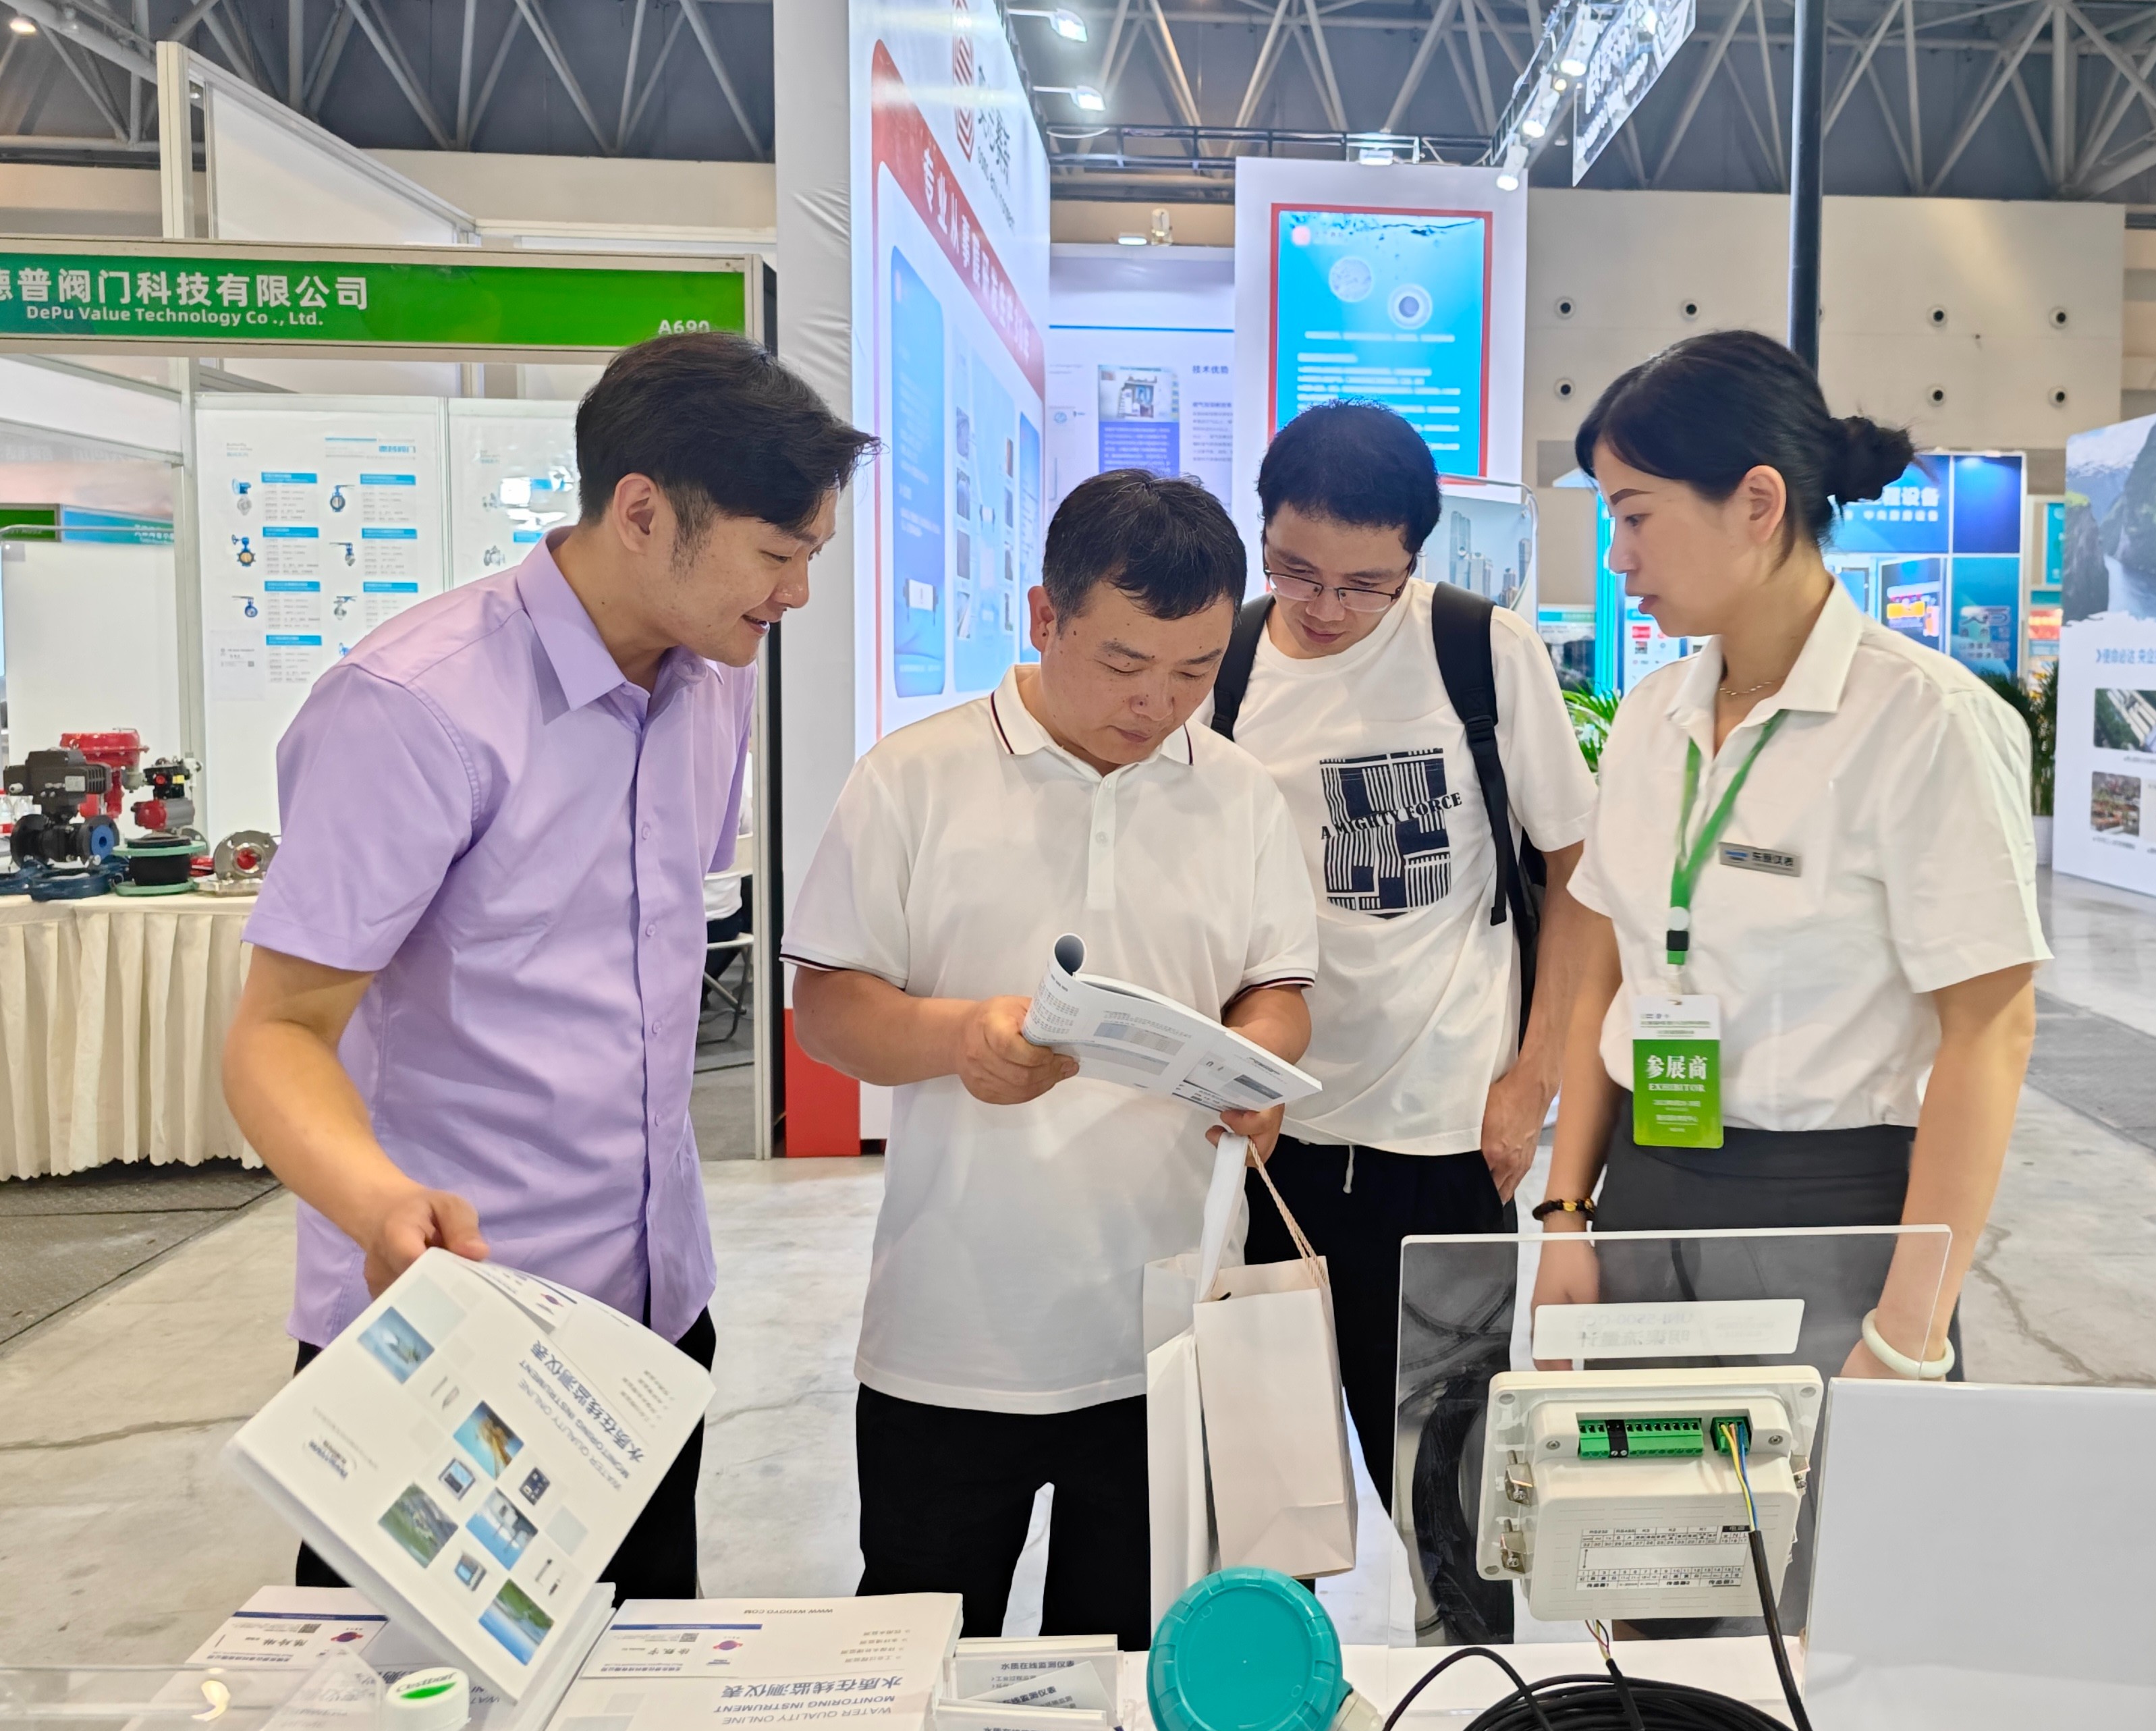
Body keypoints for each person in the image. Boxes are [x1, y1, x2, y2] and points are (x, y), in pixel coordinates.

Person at [222, 332, 875, 1597]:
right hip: (450, 1326)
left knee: (634, 1673)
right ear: (641, 512)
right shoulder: (415, 709)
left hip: (650, 1319)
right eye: (776, 554)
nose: (796, 593)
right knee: (420, 1698)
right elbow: (277, 1033)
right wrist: (377, 1204)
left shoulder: (715, 682)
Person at [783, 469, 1319, 1649]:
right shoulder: (913, 776)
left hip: (1167, 1329)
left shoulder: (1236, 793)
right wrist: (958, 1037)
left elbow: (1276, 986)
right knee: (921, 1654)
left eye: (1194, 671)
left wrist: (1258, 1065)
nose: (1157, 703)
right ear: (1043, 616)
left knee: (1129, 1665)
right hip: (951, 1334)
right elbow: (825, 1008)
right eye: (1125, 663)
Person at [1531, 329, 2048, 1387]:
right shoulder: (1649, 719)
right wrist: (1566, 1211)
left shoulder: (1923, 722)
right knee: (1645, 1494)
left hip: (1831, 1214)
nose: (1617, 555)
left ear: (1757, 503)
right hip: (1644, 1187)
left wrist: (1909, 1331)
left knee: (1826, 1498)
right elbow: (1607, 976)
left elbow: (1989, 1032)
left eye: (1634, 514)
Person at [1198, 401, 1595, 1505]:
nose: (1326, 607)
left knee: (1449, 1500)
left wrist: (1534, 1078)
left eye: (1363, 583)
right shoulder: (1225, 665)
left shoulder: (1478, 650)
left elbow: (1578, 871)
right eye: (1295, 569)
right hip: (1267, 1147)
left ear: (1415, 555)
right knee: (1268, 1504)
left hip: (1443, 1144)